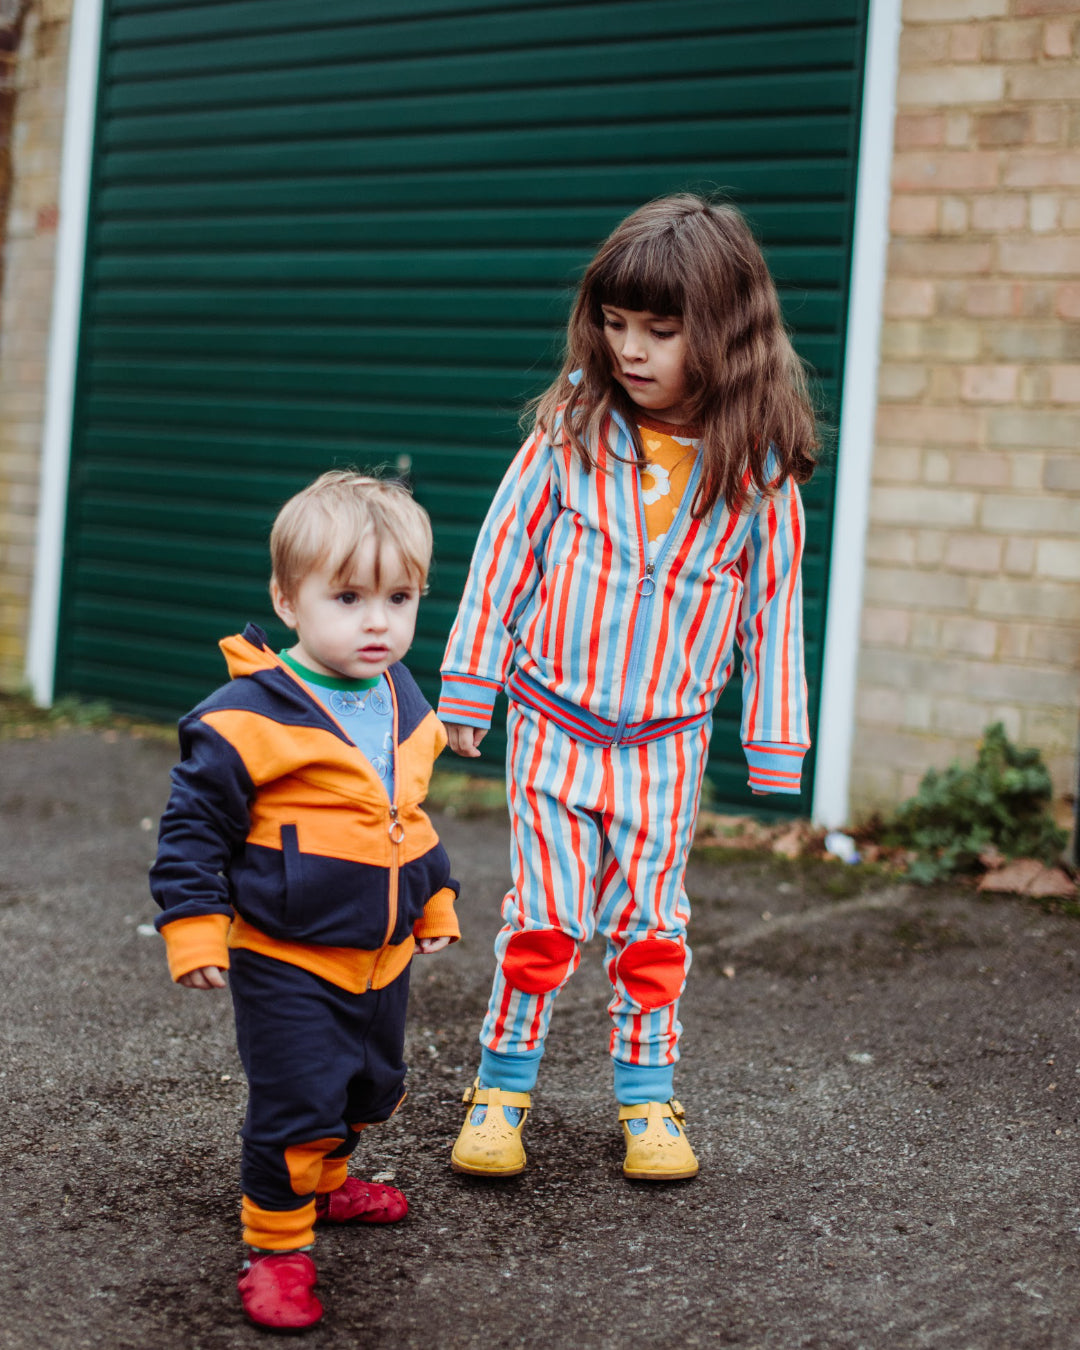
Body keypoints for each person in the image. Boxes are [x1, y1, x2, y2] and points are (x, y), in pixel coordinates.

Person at [438, 194, 817, 1183]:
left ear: (728, 335)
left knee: (651, 927)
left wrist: (776, 744)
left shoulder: (758, 478)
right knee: (545, 918)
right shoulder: (571, 431)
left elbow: (774, 616)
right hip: (554, 729)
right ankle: (501, 1088)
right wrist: (471, 685)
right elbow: (503, 555)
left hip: (665, 746)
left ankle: (648, 1103)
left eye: (660, 329)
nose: (631, 350)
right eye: (615, 325)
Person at [150, 471, 459, 1331]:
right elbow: (191, 833)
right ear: (288, 599)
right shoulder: (243, 718)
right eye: (349, 596)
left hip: (380, 955)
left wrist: (434, 903)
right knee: (295, 1102)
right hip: (287, 956)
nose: (378, 621)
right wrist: (192, 928)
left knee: (371, 1088)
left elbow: (408, 817)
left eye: (399, 598)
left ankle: (326, 1182)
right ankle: (277, 1247)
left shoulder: (401, 696)